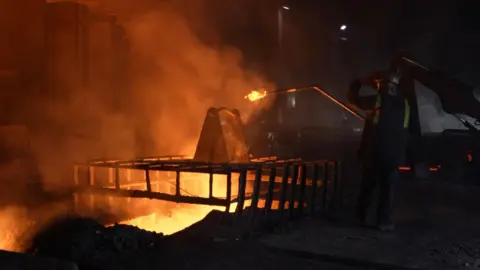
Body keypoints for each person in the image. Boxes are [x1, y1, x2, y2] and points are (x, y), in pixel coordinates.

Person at [347, 67, 411, 231]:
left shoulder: (377, 101)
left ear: (381, 85)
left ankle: (360, 218)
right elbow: (404, 132)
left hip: (375, 152)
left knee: (367, 186)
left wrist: (358, 83)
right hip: (393, 155)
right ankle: (384, 222)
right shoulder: (405, 105)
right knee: (388, 190)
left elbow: (353, 100)